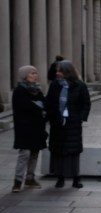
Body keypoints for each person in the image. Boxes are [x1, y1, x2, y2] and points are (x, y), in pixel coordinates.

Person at [45, 60, 91, 189]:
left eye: (60, 71)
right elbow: (49, 102)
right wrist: (50, 117)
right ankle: (60, 177)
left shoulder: (80, 85)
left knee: (73, 150)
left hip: (73, 123)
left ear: (67, 72)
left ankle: (76, 178)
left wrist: (80, 118)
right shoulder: (55, 85)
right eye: (57, 71)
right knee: (58, 150)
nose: (57, 73)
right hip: (58, 123)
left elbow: (86, 103)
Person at [12, 66, 47, 192]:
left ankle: (30, 178)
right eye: (32, 73)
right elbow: (25, 106)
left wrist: (38, 106)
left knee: (34, 153)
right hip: (24, 127)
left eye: (35, 73)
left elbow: (44, 104)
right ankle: (17, 181)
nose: (35, 75)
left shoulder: (37, 90)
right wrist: (38, 106)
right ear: (25, 75)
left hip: (37, 126)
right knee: (24, 153)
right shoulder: (19, 90)